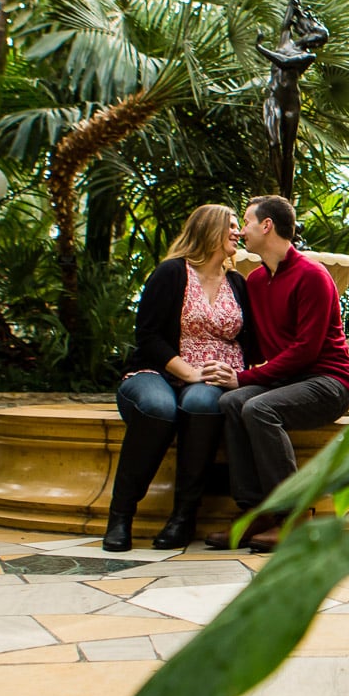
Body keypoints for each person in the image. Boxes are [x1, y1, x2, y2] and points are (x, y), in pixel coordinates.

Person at [104, 204, 260, 552]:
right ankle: (121, 515)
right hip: (159, 370)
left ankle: (182, 517)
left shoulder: (238, 282)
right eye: (231, 226)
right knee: (159, 408)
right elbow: (148, 336)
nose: (238, 232)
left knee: (203, 404)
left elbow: (250, 339)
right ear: (209, 230)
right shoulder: (171, 273)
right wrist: (188, 371)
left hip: (213, 379)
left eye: (239, 226)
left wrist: (238, 374)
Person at [210, 194, 349, 552]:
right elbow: (259, 346)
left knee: (259, 408)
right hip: (288, 381)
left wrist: (244, 378)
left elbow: (306, 350)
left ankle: (292, 516)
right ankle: (256, 511)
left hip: (328, 381)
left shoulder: (314, 276)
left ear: (267, 225)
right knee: (231, 403)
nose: (241, 231)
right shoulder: (257, 281)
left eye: (245, 222)